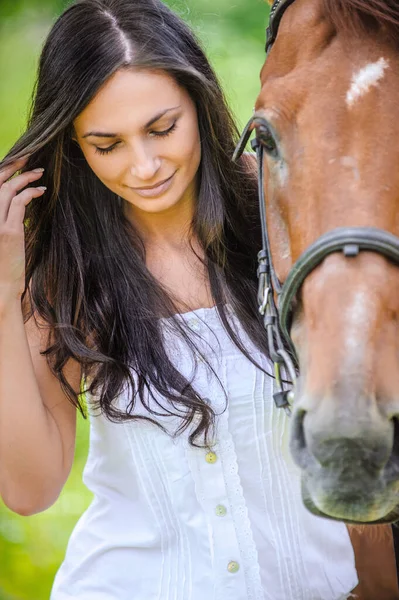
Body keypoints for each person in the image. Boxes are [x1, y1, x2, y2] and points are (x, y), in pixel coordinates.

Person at [0, 0, 358, 598]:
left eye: (162, 128)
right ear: (74, 145)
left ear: (198, 101)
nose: (144, 166)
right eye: (106, 144)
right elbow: (30, 490)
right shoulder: (65, 272)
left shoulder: (285, 217)